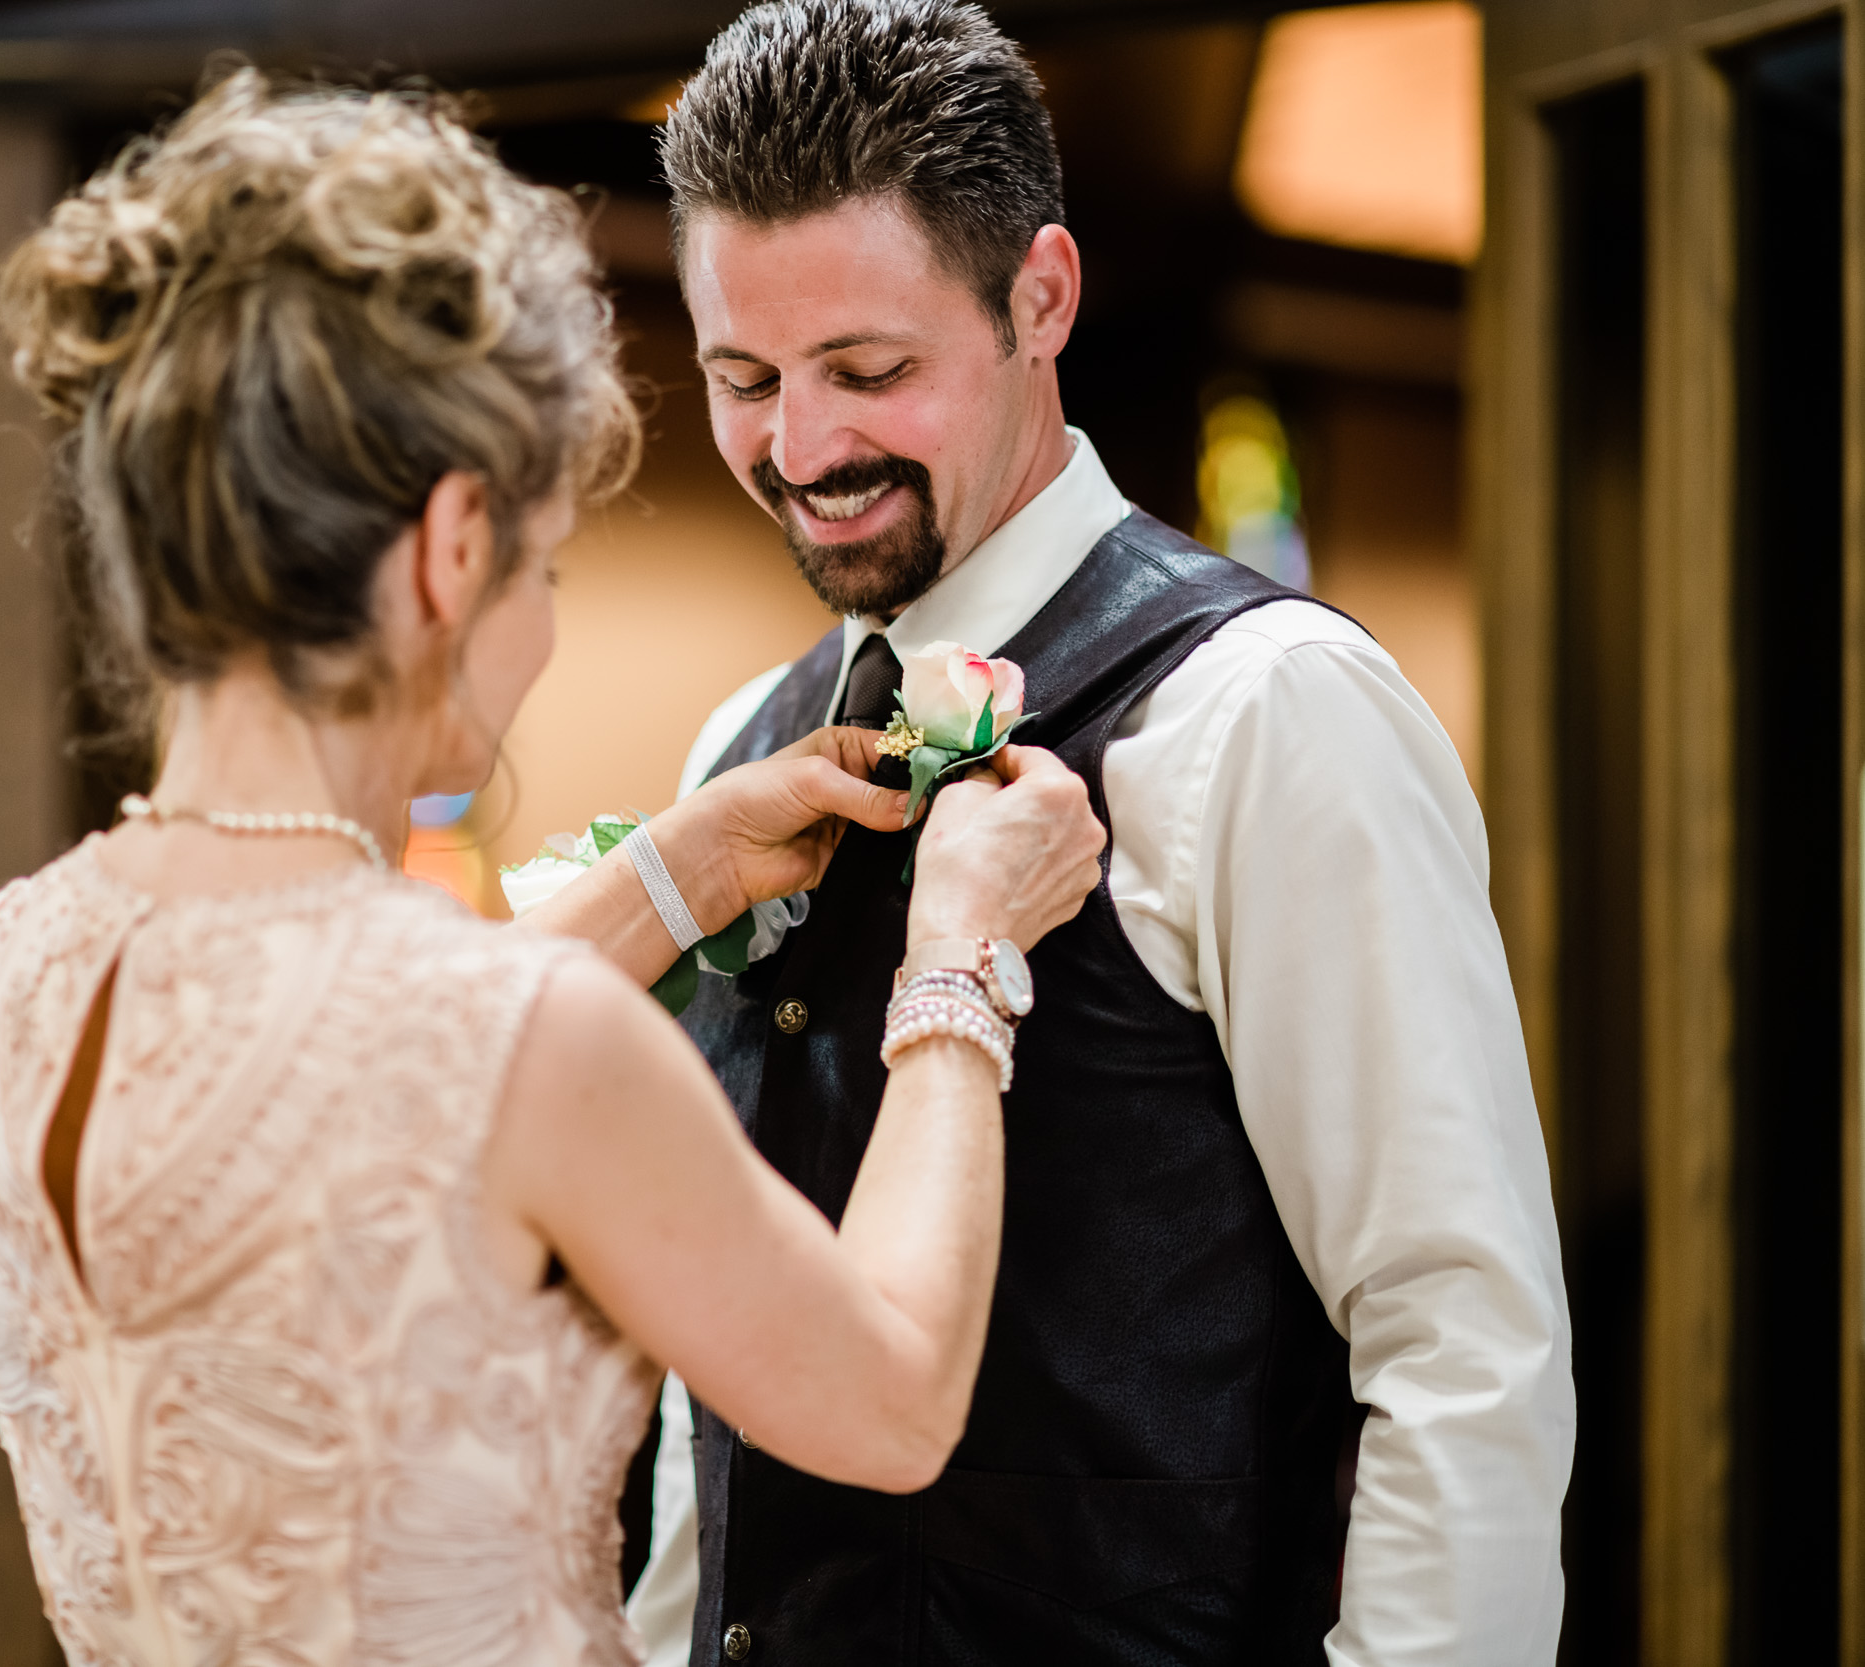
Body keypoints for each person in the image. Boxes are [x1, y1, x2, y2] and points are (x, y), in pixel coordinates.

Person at [0, 69, 1106, 1667]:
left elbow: (362, 1080)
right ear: (449, 547)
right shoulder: (531, 1048)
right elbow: (892, 1398)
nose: (541, 628)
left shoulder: (9, 973)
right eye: (542, 564)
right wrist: (964, 952)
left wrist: (677, 874)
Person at [623, 4, 1575, 1664]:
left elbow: (1459, 1348)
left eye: (869, 370)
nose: (800, 451)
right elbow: (718, 1417)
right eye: (743, 378)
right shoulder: (735, 749)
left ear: (1039, 297)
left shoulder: (1274, 711)